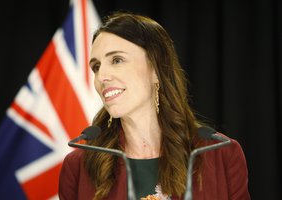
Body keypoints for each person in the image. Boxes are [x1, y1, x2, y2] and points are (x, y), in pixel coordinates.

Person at [58, 11, 250, 200]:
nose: (101, 77)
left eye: (117, 60)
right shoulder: (78, 167)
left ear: (156, 70)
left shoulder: (220, 154)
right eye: (96, 67)